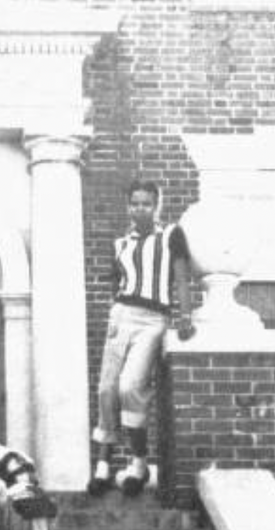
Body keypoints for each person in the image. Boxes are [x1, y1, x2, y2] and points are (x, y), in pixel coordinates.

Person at [88, 179, 194, 498]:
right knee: (107, 389)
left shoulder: (171, 235)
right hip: (122, 315)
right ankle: (103, 466)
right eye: (134, 203)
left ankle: (138, 463)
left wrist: (185, 316)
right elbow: (115, 285)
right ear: (128, 206)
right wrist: (116, 313)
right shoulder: (121, 244)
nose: (140, 209)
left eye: (146, 203)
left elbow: (180, 278)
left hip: (152, 319)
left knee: (130, 386)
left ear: (156, 205)